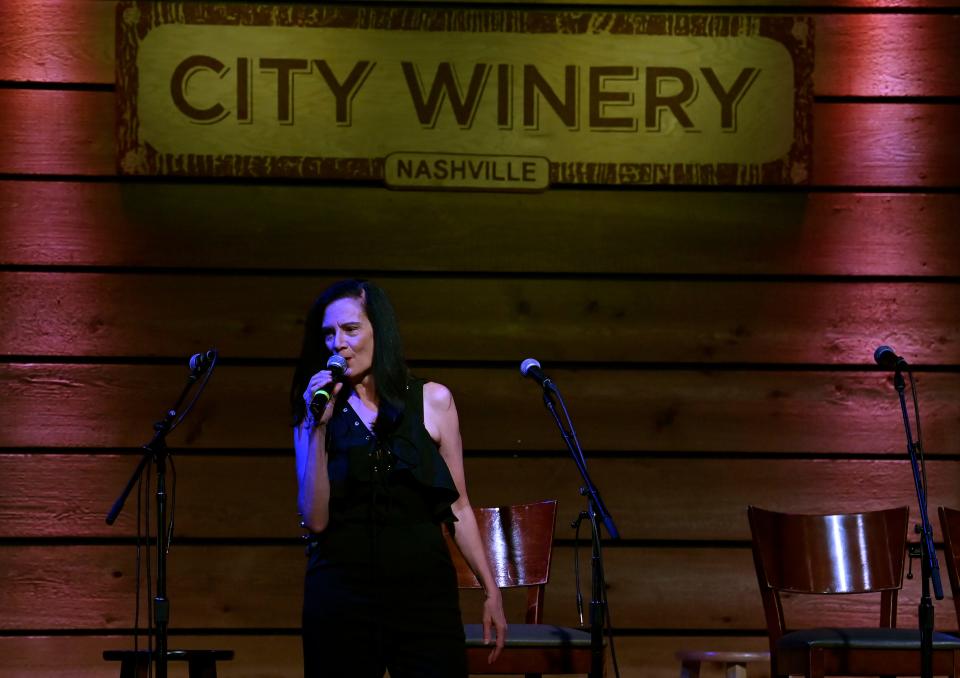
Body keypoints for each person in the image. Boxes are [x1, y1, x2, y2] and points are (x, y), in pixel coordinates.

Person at [290, 279, 507, 677]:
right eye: (328, 333)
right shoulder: (313, 408)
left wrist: (490, 589)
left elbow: (457, 505)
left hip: (422, 595)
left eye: (350, 329)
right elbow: (315, 518)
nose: (337, 343)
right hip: (341, 597)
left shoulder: (433, 400)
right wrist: (317, 428)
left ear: (380, 332)